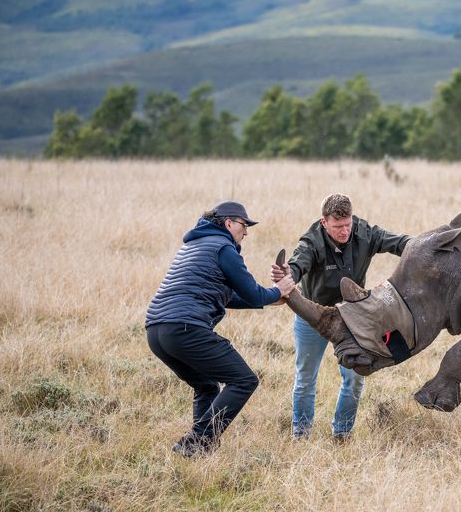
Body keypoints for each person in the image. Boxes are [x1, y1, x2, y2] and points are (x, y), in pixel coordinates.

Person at [146, 201, 296, 458]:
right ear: (228, 223)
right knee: (244, 380)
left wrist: (271, 299)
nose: (246, 232)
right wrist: (278, 290)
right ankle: (194, 442)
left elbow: (224, 296)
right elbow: (251, 291)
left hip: (157, 332)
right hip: (186, 328)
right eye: (243, 225)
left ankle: (199, 452)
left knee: (206, 385)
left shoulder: (194, 245)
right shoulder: (224, 248)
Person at [271, 194, 411, 441]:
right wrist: (286, 275)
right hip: (314, 317)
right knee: (305, 378)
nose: (345, 231)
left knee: (355, 378)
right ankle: (301, 435)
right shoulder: (311, 241)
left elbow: (399, 243)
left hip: (353, 318)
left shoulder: (364, 232)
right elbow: (297, 265)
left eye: (348, 224)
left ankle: (342, 434)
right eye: (338, 227)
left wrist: (425, 247)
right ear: (324, 223)